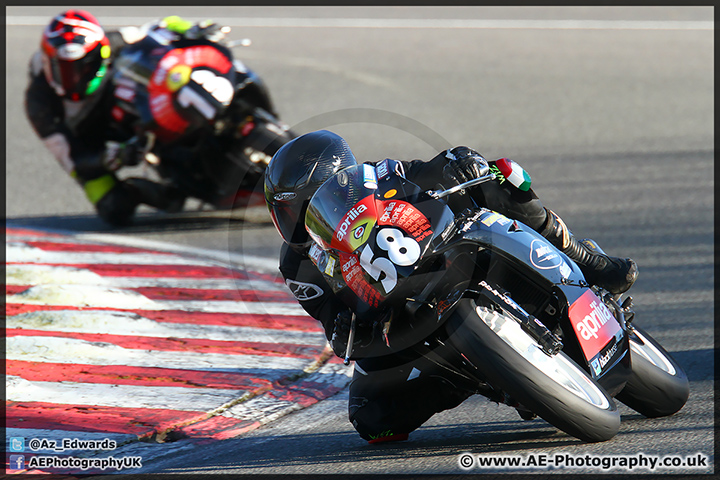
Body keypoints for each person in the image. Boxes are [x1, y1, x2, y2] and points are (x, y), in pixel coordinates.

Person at [264, 129, 638, 444]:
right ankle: (466, 375)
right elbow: (331, 319)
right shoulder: (296, 263)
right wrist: (343, 327)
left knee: (502, 174)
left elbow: (437, 168)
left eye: (304, 207)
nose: (298, 224)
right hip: (396, 315)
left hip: (452, 249)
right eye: (287, 215)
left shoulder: (383, 176)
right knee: (372, 422)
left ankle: (587, 260)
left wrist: (460, 163)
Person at [25, 10, 278, 226]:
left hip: (129, 106)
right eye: (64, 70)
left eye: (83, 66)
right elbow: (71, 159)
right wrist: (110, 157)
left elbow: (160, 27)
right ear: (47, 62)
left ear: (99, 54)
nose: (75, 78)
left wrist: (193, 29)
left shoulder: (111, 42)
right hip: (93, 141)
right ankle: (156, 192)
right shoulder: (40, 103)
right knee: (113, 208)